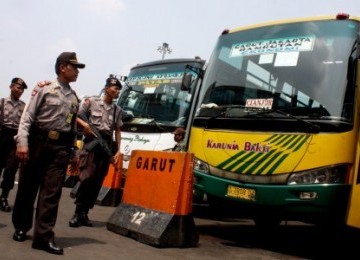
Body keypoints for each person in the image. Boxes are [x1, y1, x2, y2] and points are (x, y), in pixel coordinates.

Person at [11, 52, 85, 255]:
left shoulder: (74, 97)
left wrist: (74, 152)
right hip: (37, 144)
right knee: (27, 188)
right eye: (74, 67)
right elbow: (27, 118)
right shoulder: (43, 89)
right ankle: (21, 226)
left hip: (59, 149)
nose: (77, 71)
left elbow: (71, 126)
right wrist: (22, 144)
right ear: (62, 67)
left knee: (51, 194)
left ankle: (43, 237)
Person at [69, 76, 122, 228]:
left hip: (105, 145)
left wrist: (118, 149)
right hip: (91, 144)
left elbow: (118, 130)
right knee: (86, 177)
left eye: (119, 89)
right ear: (107, 88)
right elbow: (75, 115)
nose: (117, 91)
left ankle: (84, 213)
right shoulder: (91, 102)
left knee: (97, 181)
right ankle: (77, 212)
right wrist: (85, 125)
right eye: (115, 88)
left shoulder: (117, 110)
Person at [0, 78, 27, 212]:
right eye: (18, 87)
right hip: (1, 136)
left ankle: (4, 197)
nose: (20, 91)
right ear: (11, 87)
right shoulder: (2, 102)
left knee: (11, 169)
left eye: (22, 89)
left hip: (14, 139)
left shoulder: (24, 106)